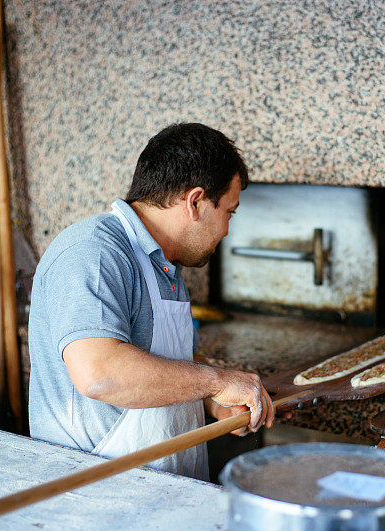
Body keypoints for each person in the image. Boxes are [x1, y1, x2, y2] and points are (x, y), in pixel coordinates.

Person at [27, 123, 275, 481]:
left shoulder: (164, 263)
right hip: (95, 493)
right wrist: (216, 381)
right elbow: (99, 373)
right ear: (195, 202)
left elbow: (169, 365)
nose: (225, 230)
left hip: (160, 486)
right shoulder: (95, 252)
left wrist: (213, 403)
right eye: (229, 213)